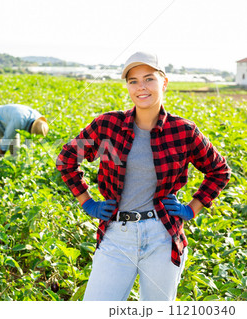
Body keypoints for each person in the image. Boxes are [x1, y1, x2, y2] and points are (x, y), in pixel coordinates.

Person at [56, 52, 231, 301]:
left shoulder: (183, 131)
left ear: (164, 82)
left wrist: (192, 208)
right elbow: (66, 159)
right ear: (127, 86)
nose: (141, 87)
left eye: (149, 79)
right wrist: (87, 202)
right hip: (117, 234)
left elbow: (219, 170)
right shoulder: (109, 125)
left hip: (162, 235)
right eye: (133, 81)